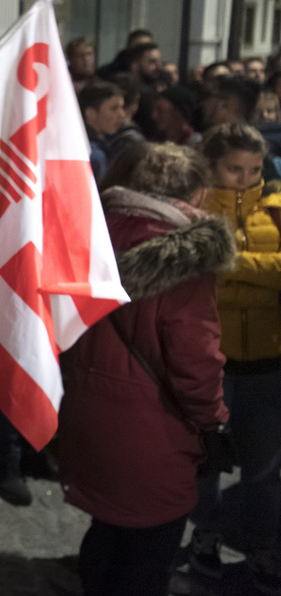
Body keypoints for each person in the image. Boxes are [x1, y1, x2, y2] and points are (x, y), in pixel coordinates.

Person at [60, 141, 232, 596]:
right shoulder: (185, 258)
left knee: (107, 528)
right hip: (152, 431)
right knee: (149, 550)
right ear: (196, 195)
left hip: (85, 409)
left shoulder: (88, 232)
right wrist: (213, 423)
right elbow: (196, 362)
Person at [184, 123, 281, 594]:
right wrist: (260, 274)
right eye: (234, 169)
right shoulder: (198, 212)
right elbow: (199, 279)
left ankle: (262, 543)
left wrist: (233, 263)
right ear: (214, 166)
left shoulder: (277, 211)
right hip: (214, 362)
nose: (244, 178)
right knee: (207, 465)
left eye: (255, 169)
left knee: (263, 471)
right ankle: (204, 536)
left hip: (269, 361)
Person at [78, 82, 127, 181]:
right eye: (114, 108)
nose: (122, 114)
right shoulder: (95, 156)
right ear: (91, 113)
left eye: (122, 107)